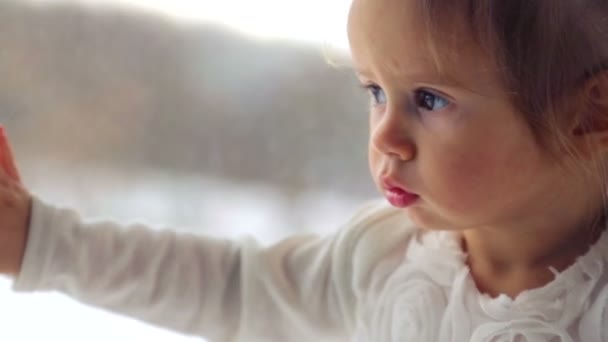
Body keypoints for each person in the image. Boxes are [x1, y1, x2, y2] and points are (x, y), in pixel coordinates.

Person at [1, 0, 608, 340]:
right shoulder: (383, 262)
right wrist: (38, 240)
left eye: (430, 99)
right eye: (374, 91)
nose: (385, 136)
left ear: (591, 109)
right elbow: (233, 288)